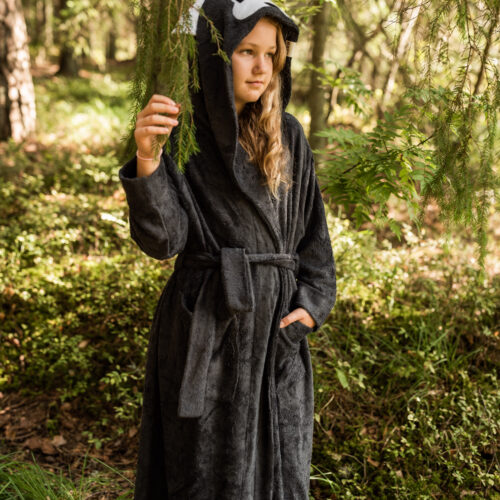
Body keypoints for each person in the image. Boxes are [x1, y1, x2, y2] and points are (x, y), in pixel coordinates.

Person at [118, 0, 336, 498]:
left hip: (275, 334)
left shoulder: (288, 134)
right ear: (213, 53)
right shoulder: (181, 134)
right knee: (202, 473)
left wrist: (309, 308)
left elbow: (314, 242)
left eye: (271, 53)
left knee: (279, 470)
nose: (262, 67)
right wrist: (148, 159)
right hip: (207, 326)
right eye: (245, 51)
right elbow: (164, 241)